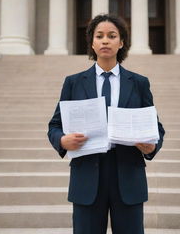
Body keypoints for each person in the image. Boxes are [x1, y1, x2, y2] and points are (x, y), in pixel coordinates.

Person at [48, 14, 165, 234]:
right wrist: (63, 140)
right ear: (91, 42)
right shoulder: (73, 83)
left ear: (121, 43)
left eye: (112, 36)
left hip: (128, 175)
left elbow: (156, 128)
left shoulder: (139, 83)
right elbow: (54, 126)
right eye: (99, 36)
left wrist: (152, 145)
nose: (105, 41)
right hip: (87, 177)